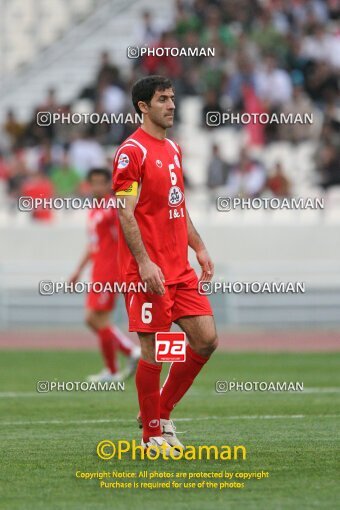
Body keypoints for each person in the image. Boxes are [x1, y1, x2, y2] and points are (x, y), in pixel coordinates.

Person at [112, 76, 218, 455]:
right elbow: (125, 213)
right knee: (153, 350)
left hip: (180, 270)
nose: (171, 105)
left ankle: (160, 411)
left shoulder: (172, 148)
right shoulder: (131, 152)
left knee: (206, 339)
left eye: (172, 98)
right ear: (143, 106)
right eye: (162, 99)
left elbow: (177, 206)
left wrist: (200, 248)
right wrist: (143, 263)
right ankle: (152, 436)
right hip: (150, 272)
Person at [69, 168, 140, 382]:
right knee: (92, 319)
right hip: (98, 270)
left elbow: (128, 214)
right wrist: (78, 271)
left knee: (96, 318)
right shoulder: (94, 210)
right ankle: (121, 360)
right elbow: (92, 246)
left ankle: (123, 358)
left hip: (110, 271)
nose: (97, 187)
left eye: (102, 182)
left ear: (109, 184)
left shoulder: (112, 207)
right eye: (94, 183)